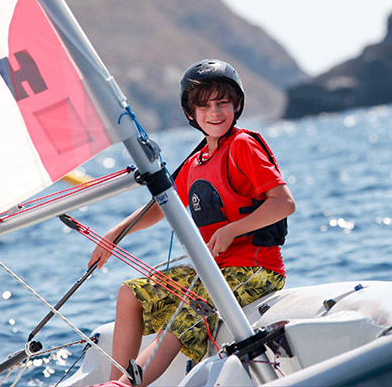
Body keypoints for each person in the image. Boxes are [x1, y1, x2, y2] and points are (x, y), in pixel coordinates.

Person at [88, 59, 295, 386]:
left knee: (190, 306)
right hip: (213, 270)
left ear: (236, 105)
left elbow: (283, 203)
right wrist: (114, 236)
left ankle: (126, 385)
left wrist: (232, 230)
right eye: (205, 106)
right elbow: (160, 207)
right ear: (191, 114)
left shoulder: (242, 146)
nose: (215, 112)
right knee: (130, 293)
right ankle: (114, 382)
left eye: (222, 103)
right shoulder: (198, 160)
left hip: (255, 268)